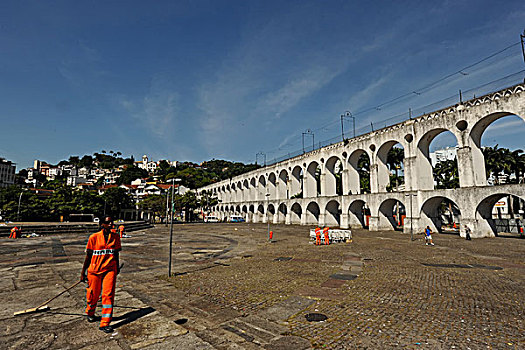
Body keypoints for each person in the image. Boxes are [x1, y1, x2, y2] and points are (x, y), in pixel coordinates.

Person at [80, 216, 121, 333]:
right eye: (107, 222)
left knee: (108, 295)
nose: (110, 224)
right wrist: (83, 272)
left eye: (111, 222)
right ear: (102, 224)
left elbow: (116, 254)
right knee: (93, 294)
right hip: (94, 270)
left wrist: (116, 268)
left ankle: (105, 322)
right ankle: (90, 312)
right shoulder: (94, 237)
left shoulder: (116, 237)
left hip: (110, 270)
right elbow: (88, 256)